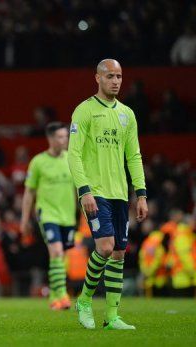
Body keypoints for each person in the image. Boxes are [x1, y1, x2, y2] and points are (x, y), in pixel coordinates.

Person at [68, 59, 148, 330]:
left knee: (118, 253)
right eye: (110, 76)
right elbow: (74, 154)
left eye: (119, 76)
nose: (116, 81)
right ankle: (85, 300)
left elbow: (134, 156)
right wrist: (84, 190)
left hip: (119, 193)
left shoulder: (127, 114)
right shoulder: (85, 111)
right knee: (104, 247)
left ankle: (112, 316)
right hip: (95, 191)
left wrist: (141, 193)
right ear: (98, 78)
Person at [20, 122, 76, 311]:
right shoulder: (38, 162)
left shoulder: (72, 159)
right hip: (47, 214)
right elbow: (29, 192)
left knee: (61, 257)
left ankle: (54, 294)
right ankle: (62, 295)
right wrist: (24, 219)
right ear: (50, 139)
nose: (64, 140)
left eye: (66, 136)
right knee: (57, 252)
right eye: (60, 137)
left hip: (68, 216)